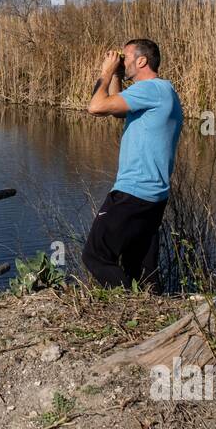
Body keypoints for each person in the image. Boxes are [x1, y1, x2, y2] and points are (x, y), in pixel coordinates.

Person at [82, 39, 183, 291]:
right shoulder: (161, 91)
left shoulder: (151, 89)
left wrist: (105, 72)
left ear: (142, 61)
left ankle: (126, 300)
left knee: (95, 256)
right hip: (153, 195)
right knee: (141, 270)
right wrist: (117, 73)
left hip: (133, 192)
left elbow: (96, 107)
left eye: (125, 57)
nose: (121, 60)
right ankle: (153, 308)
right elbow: (116, 109)